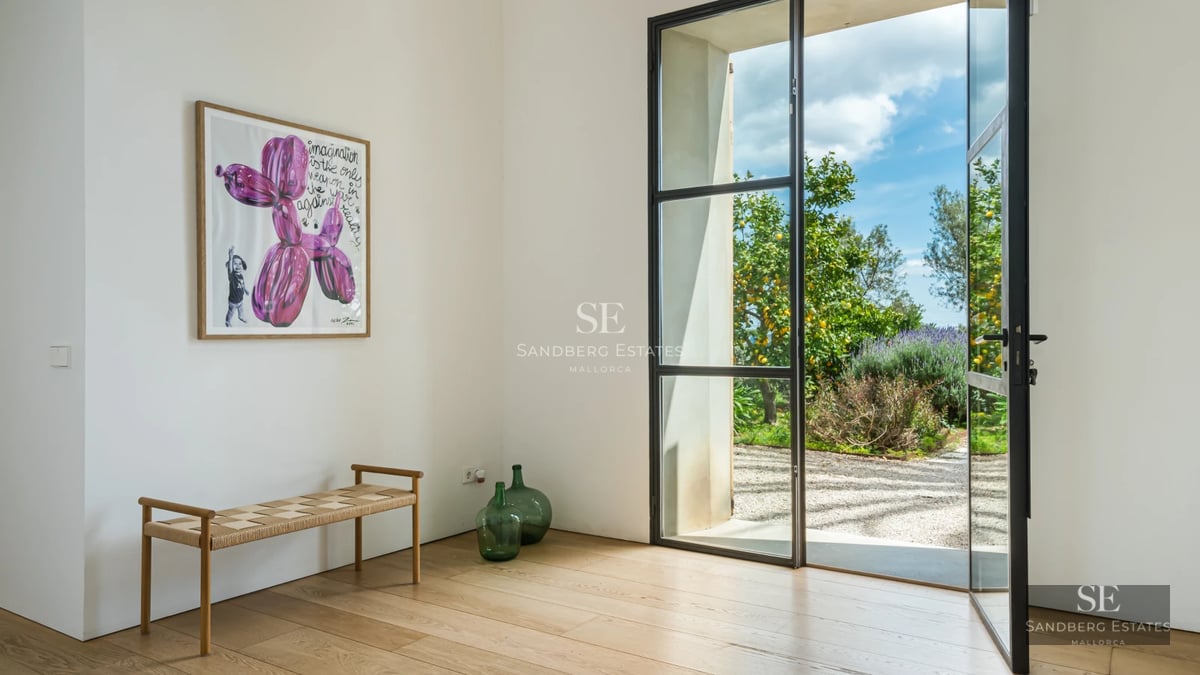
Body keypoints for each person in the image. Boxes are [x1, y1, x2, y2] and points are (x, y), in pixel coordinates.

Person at [225, 246, 250, 327]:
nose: (238, 266)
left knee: (241, 309)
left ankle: (241, 316)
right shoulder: (232, 276)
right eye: (235, 264)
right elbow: (230, 269)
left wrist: (245, 290)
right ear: (231, 265)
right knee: (231, 312)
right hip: (233, 302)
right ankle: (228, 321)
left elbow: (242, 284)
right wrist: (230, 257)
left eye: (239, 263)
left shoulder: (241, 276)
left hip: (240, 299)